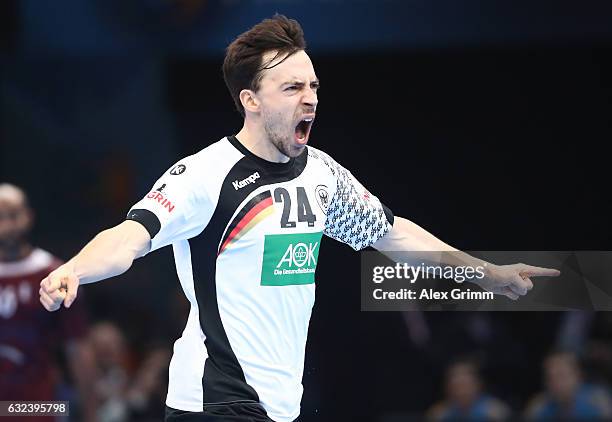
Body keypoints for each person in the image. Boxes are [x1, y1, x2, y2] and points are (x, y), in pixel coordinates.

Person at [39, 15, 560, 422]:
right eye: (291, 88)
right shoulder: (205, 175)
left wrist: (486, 273)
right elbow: (131, 236)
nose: (309, 98)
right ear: (251, 101)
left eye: (312, 86)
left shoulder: (321, 176)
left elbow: (393, 234)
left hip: (280, 402)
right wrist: (75, 270)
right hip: (215, 399)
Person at [0, 183, 96, 421]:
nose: (6, 225)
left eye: (13, 215)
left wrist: (92, 413)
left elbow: (79, 350)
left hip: (39, 407)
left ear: (28, 217)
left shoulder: (54, 274)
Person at [525, 351, 612, 420]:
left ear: (578, 375)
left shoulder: (599, 401)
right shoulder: (539, 406)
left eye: (561, 375)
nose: (556, 383)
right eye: (550, 377)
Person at [426, 359, 510, 421]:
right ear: (448, 388)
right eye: (457, 386)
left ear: (478, 385)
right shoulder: (439, 415)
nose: (462, 391)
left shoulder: (495, 411)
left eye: (465, 385)